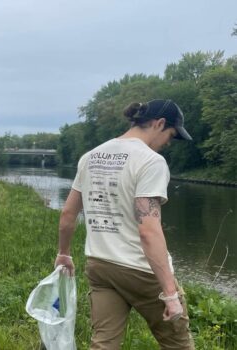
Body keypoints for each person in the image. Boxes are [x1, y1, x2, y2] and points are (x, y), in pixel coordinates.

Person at [55, 99, 194, 349]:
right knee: (178, 344)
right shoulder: (151, 161)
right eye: (171, 135)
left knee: (104, 344)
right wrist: (170, 294)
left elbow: (67, 214)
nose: (169, 143)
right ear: (159, 123)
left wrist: (63, 253)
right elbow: (148, 231)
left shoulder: (91, 156)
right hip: (140, 270)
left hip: (100, 265)